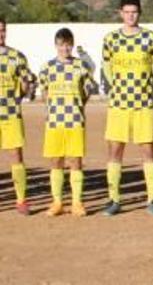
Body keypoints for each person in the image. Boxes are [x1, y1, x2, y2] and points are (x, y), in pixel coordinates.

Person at [101, 0, 153, 216]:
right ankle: (114, 199)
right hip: (119, 104)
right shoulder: (111, 39)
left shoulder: (150, 37)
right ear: (121, 13)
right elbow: (106, 66)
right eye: (127, 12)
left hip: (143, 104)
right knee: (115, 150)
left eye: (134, 12)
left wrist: (150, 86)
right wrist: (115, 86)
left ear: (139, 13)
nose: (130, 16)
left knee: (148, 150)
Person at [39, 28, 97, 217]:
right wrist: (51, 109)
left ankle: (77, 202)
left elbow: (87, 91)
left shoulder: (81, 67)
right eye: (61, 44)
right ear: (56, 45)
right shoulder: (47, 67)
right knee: (56, 161)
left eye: (68, 44)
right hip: (55, 121)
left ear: (72, 45)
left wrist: (78, 106)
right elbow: (45, 92)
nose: (65, 48)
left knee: (75, 161)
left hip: (75, 120)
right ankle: (57, 202)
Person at [0, 17, 36, 215]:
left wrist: (25, 89)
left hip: (11, 113)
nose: (1, 34)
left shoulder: (17, 57)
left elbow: (26, 84)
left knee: (16, 155)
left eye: (3, 30)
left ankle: (21, 199)